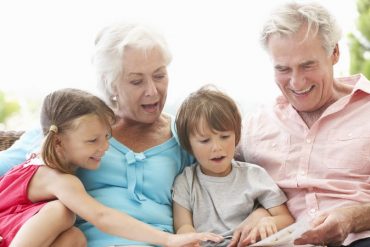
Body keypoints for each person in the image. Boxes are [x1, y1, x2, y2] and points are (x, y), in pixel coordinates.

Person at [0, 22, 220, 246]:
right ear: (110, 83)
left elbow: (227, 179)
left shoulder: (186, 135)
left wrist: (258, 213)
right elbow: (13, 172)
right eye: (136, 81)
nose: (153, 90)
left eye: (159, 76)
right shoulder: (73, 128)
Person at [0, 88, 223, 247]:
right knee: (63, 212)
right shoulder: (56, 178)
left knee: (75, 239)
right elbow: (102, 216)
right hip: (7, 231)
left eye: (107, 137)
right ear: (58, 142)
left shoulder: (51, 156)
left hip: (23, 231)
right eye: (92, 141)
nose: (105, 148)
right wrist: (168, 239)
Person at [234, 1, 370, 247]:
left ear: (335, 53)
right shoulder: (255, 126)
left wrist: (353, 218)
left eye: (308, 65)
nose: (296, 83)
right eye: (283, 69)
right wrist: (261, 210)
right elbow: (217, 174)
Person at [172, 86, 295, 247]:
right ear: (189, 145)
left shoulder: (254, 175)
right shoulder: (186, 181)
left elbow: (286, 219)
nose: (217, 147)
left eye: (224, 137)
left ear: (236, 135)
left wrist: (268, 221)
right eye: (204, 141)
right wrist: (190, 238)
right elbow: (182, 226)